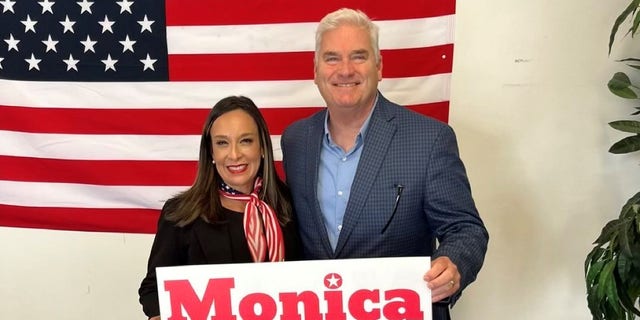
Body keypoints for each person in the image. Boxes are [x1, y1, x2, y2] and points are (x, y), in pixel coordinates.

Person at [280, 8, 488, 320]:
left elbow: (466, 229)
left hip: (400, 312)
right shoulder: (296, 140)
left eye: (359, 56)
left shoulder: (430, 139)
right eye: (332, 58)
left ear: (379, 67)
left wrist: (454, 263)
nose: (345, 70)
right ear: (316, 70)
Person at [138, 96, 301, 319]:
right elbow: (153, 290)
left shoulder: (291, 207)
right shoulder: (181, 214)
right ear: (211, 152)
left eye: (246, 141)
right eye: (222, 143)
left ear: (262, 147)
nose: (234, 155)